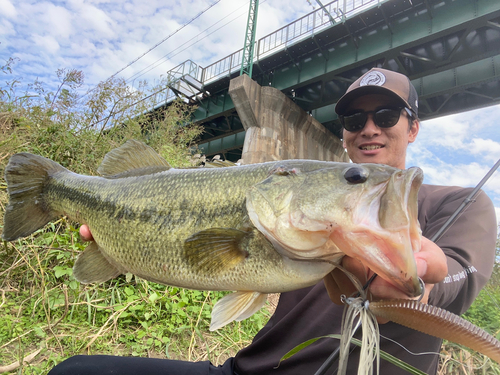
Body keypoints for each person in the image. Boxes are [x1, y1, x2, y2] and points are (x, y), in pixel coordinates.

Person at [49, 68, 497, 375]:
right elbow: (200, 253)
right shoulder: (292, 210)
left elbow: (458, 282)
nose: (369, 128)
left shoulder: (460, 203)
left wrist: (420, 279)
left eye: (385, 115)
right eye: (353, 118)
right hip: (248, 369)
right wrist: (125, 238)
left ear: (413, 127)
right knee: (73, 370)